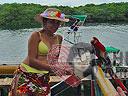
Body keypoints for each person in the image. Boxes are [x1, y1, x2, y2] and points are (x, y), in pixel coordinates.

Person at [9, 8, 69, 96]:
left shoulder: (59, 38)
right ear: (44, 22)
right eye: (51, 22)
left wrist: (70, 67)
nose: (55, 25)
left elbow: (53, 61)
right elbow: (32, 61)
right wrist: (55, 69)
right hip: (27, 75)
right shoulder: (36, 35)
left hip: (43, 77)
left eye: (58, 23)